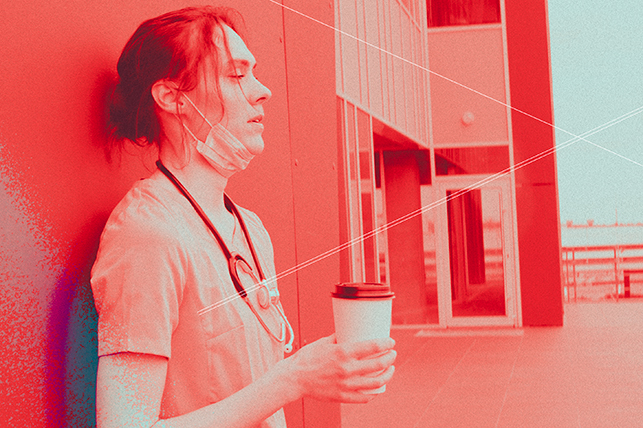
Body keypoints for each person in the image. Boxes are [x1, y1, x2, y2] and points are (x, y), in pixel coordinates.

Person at [91, 6, 396, 428]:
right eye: (237, 75)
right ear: (173, 97)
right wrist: (293, 379)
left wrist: (324, 367)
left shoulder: (249, 228)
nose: (262, 90)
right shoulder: (147, 235)